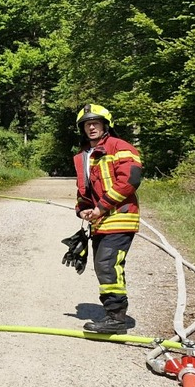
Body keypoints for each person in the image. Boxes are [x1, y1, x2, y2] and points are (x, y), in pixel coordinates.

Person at [73, 104, 142, 333]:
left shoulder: (120, 147)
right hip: (99, 221)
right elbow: (85, 190)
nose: (91, 127)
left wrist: (101, 207)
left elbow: (129, 181)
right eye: (87, 124)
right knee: (103, 267)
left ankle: (116, 319)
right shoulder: (84, 155)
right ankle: (112, 315)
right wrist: (82, 208)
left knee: (108, 265)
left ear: (105, 125)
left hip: (120, 217)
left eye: (95, 123)